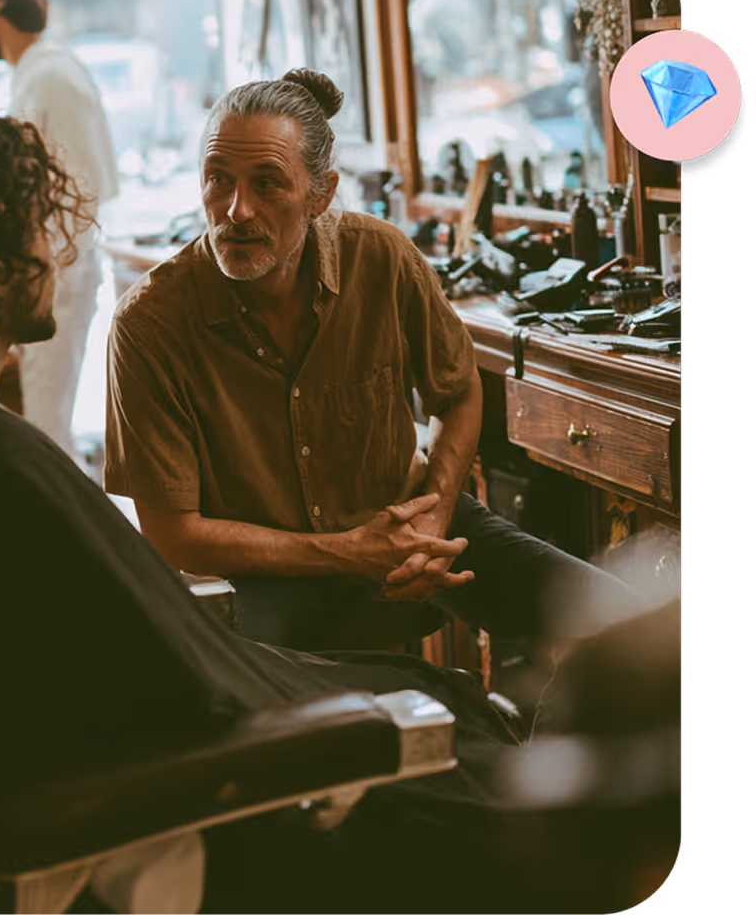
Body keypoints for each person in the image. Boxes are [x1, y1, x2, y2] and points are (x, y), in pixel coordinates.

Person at [0, 102, 655, 914]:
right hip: (231, 804)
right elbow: (166, 679)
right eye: (35, 230)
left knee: (533, 675)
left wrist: (423, 528)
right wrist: (357, 712)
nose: (56, 254)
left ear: (319, 195)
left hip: (245, 722)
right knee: (563, 826)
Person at [104, 68, 650, 667]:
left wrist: (435, 515)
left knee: (629, 628)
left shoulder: (382, 258)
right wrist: (349, 551)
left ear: (322, 194)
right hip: (270, 570)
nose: (236, 210)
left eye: (267, 183)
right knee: (299, 720)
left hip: (410, 528)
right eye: (218, 180)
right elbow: (173, 532)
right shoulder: (149, 325)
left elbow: (459, 390)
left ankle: (537, 754)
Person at [0, 0, 120, 466]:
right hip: (44, 272)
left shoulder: (52, 76)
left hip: (61, 273)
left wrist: (38, 271)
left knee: (48, 428)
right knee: (42, 420)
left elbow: (82, 189)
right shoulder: (35, 71)